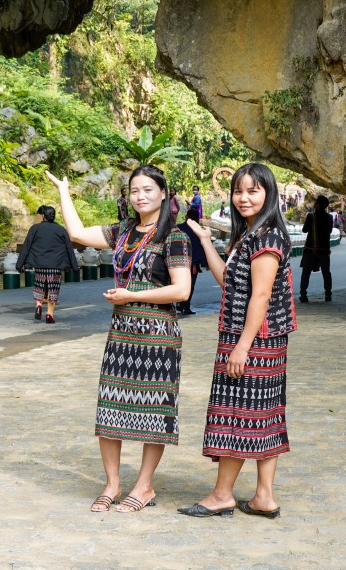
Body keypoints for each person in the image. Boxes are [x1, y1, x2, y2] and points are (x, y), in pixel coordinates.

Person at [48, 165, 191, 514]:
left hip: (158, 337)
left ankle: (144, 486)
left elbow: (182, 290)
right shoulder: (123, 231)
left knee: (154, 411)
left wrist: (131, 296)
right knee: (111, 407)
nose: (140, 196)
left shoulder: (174, 237)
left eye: (148, 190)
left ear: (163, 194)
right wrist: (64, 191)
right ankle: (111, 484)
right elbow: (77, 233)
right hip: (122, 334)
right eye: (134, 191)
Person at [179, 162, 296, 520]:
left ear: (268, 193)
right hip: (264, 339)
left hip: (252, 339)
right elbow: (228, 281)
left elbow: (260, 295)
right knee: (264, 415)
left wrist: (242, 346)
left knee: (236, 413)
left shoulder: (266, 237)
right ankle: (264, 497)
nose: (243, 198)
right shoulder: (252, 233)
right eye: (238, 191)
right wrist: (205, 241)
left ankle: (221, 495)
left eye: (253, 191)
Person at [18, 204, 80, 323]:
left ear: (43, 216)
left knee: (39, 285)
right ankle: (49, 314)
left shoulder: (35, 229)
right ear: (54, 216)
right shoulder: (61, 230)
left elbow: (26, 246)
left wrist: (19, 264)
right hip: (55, 265)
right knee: (53, 288)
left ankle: (38, 305)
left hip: (40, 264)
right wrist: (74, 266)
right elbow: (69, 248)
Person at [176, 194, 208, 316]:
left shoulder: (178, 228)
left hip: (178, 262)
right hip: (192, 263)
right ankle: (185, 306)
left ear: (187, 217)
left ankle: (180, 304)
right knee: (190, 285)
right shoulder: (198, 231)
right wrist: (203, 262)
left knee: (179, 283)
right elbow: (200, 248)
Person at [298, 194, 333, 303]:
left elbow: (304, 230)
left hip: (310, 248)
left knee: (306, 272)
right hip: (324, 249)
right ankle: (328, 294)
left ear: (318, 205)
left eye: (316, 202)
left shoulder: (311, 216)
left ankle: (303, 294)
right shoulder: (329, 217)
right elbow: (330, 231)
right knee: (326, 272)